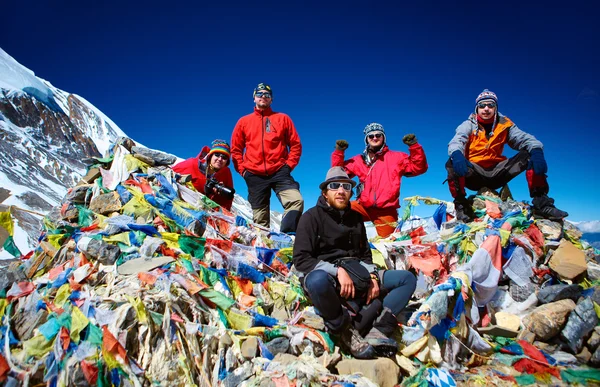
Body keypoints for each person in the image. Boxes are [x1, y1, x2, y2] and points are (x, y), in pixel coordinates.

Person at [293, 167, 417, 359]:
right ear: (325, 192)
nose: (341, 191)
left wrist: (373, 277)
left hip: (358, 272)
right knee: (316, 281)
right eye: (334, 186)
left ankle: (379, 329)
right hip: (328, 275)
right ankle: (345, 332)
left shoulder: (356, 219)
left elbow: (365, 255)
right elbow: (302, 259)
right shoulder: (310, 218)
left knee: (406, 279)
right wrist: (338, 271)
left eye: (346, 186)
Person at [447, 89, 568, 222]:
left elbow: (524, 139)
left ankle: (542, 203)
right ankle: (461, 204)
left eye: (490, 105)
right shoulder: (468, 125)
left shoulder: (505, 125)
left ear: (495, 107)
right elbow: (457, 141)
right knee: (452, 162)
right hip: (474, 173)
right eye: (482, 105)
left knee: (529, 154)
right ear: (477, 108)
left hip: (497, 172)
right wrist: (457, 154)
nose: (486, 109)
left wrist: (537, 151)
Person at [332, 123, 428, 238]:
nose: (375, 138)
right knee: (336, 210)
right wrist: (339, 152)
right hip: (363, 207)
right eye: (371, 136)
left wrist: (414, 146)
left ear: (383, 138)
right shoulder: (359, 160)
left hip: (386, 211)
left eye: (378, 135)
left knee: (387, 244)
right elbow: (338, 173)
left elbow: (418, 167)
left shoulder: (397, 157)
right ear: (367, 139)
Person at [231, 82, 304, 233]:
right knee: (260, 220)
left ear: (271, 99)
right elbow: (236, 150)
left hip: (279, 171)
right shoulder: (243, 122)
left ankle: (286, 237)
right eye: (259, 94)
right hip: (254, 175)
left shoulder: (283, 118)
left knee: (296, 200)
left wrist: (288, 166)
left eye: (267, 94)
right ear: (254, 98)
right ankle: (264, 250)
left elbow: (295, 145)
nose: (263, 96)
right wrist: (244, 172)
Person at [172, 139, 235, 211]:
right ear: (211, 156)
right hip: (183, 203)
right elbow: (170, 174)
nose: (220, 159)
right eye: (217, 155)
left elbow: (228, 200)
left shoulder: (225, 173)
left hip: (207, 210)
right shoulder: (192, 164)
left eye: (224, 157)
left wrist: (218, 194)